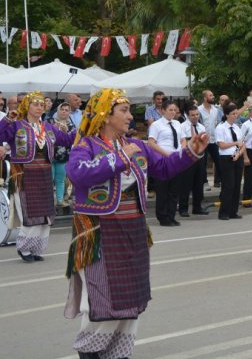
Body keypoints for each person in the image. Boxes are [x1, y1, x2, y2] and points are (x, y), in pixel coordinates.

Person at [64, 88, 207, 359]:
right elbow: (77, 174)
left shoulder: (137, 145)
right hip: (99, 231)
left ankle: (118, 351)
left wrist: (191, 152)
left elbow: (164, 168)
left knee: (131, 297)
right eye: (124, 111)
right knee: (103, 295)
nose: (131, 116)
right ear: (106, 116)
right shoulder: (87, 145)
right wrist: (119, 159)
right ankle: (91, 351)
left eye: (130, 110)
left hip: (133, 230)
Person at [0, 92, 76, 262]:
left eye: (42, 105)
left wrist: (84, 128)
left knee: (45, 213)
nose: (39, 107)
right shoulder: (16, 124)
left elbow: (66, 139)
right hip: (24, 174)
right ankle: (25, 248)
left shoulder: (48, 127)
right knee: (30, 211)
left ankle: (37, 247)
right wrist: (8, 119)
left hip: (44, 174)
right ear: (27, 106)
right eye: (35, 104)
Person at [148, 101, 184, 226]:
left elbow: (182, 140)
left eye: (175, 110)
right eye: (170, 110)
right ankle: (163, 217)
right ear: (163, 110)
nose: (173, 112)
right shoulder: (156, 125)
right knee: (163, 189)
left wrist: (182, 152)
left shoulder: (178, 123)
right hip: (164, 159)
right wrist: (167, 154)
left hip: (176, 160)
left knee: (174, 190)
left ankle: (171, 215)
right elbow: (151, 143)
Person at [215, 103, 245, 220]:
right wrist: (235, 143)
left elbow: (243, 144)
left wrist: (239, 153)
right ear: (227, 115)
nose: (235, 116)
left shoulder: (237, 127)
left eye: (236, 113)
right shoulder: (221, 127)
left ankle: (233, 211)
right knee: (229, 185)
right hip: (226, 158)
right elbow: (221, 145)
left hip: (237, 157)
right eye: (233, 114)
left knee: (237, 185)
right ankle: (224, 212)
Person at [178, 104, 210, 216]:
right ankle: (183, 208)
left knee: (199, 182)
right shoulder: (181, 127)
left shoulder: (201, 127)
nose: (195, 117)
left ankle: (197, 207)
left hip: (200, 157)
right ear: (187, 115)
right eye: (192, 115)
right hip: (187, 158)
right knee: (186, 183)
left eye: (197, 114)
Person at [49, 102, 75, 207]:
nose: (64, 111)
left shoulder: (71, 125)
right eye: (62, 109)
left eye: (66, 110)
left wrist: (66, 131)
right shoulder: (49, 122)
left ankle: (59, 200)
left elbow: (73, 140)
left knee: (60, 179)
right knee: (50, 179)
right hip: (50, 155)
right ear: (58, 111)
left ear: (69, 112)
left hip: (63, 156)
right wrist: (54, 128)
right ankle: (49, 201)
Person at [198, 89, 223, 188]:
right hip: (202, 140)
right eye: (210, 95)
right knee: (202, 162)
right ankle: (204, 182)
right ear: (205, 98)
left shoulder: (216, 110)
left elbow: (220, 123)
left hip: (214, 139)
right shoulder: (198, 109)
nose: (213, 97)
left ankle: (218, 181)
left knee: (218, 160)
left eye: (212, 95)